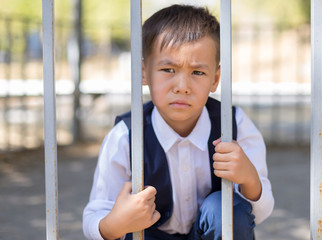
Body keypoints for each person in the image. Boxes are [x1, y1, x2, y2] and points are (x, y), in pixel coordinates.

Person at [83, 4, 274, 240]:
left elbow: (257, 214)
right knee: (129, 222)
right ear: (144, 72)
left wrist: (249, 179)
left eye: (197, 73)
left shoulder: (234, 125)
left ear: (215, 79)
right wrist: (115, 223)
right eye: (168, 69)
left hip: (210, 234)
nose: (182, 87)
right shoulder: (126, 135)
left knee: (226, 209)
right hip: (148, 235)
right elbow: (94, 216)